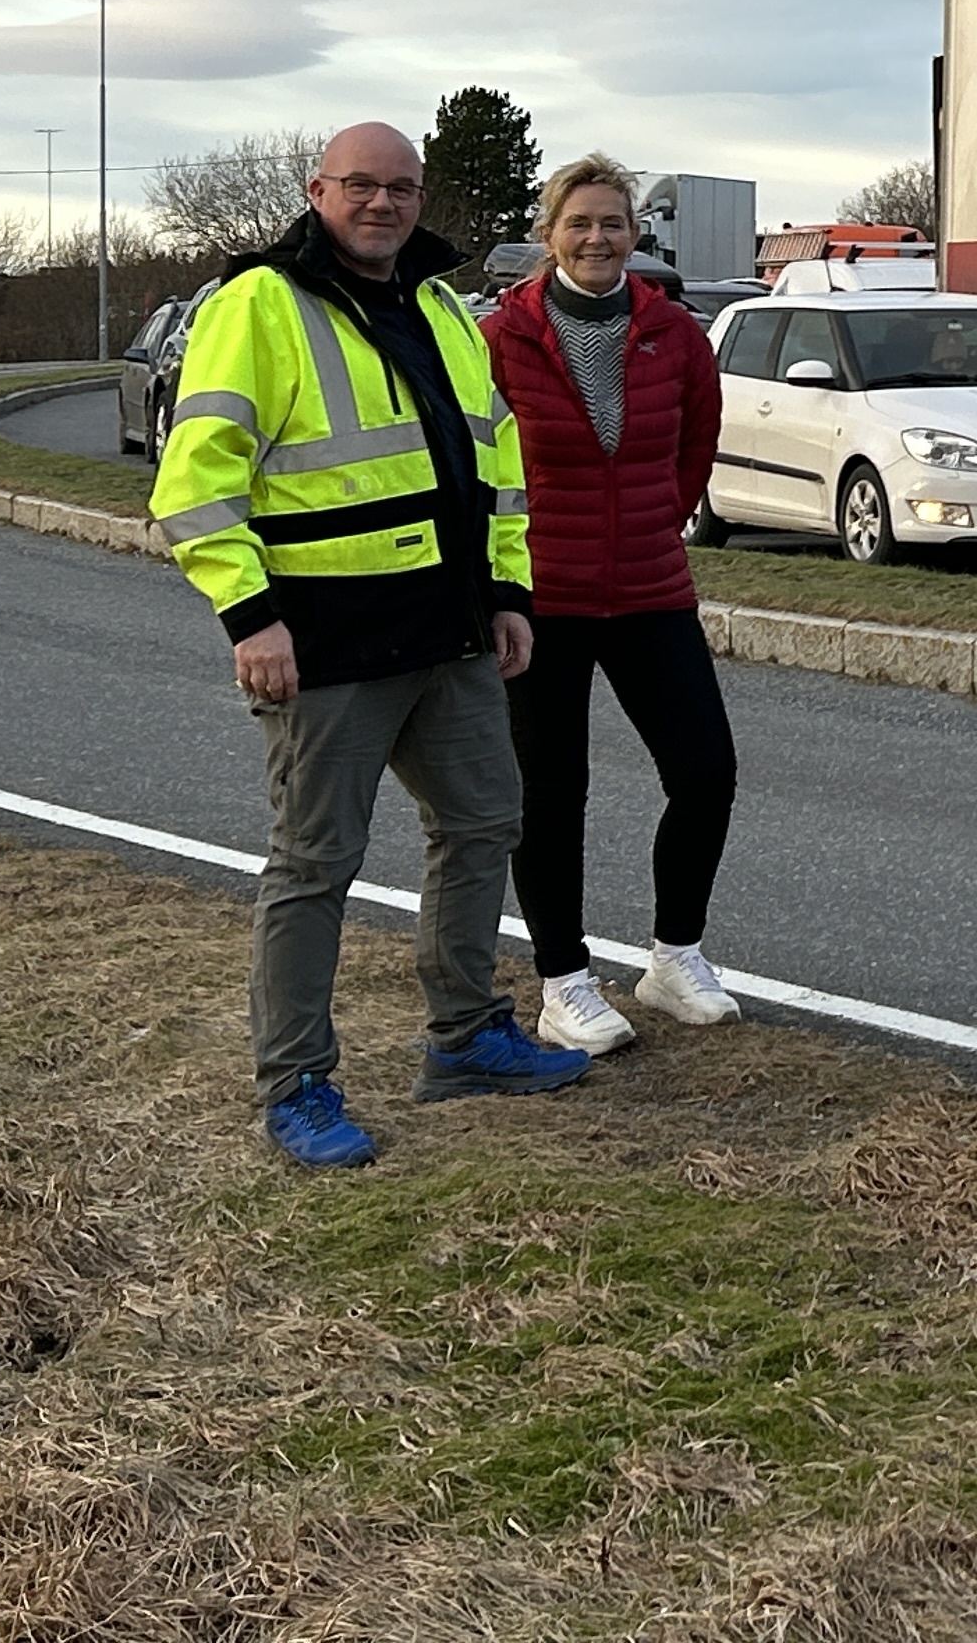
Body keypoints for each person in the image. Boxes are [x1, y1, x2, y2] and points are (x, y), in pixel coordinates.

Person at [151, 120, 590, 1169]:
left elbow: (495, 459)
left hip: (451, 630)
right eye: (361, 185)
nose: (382, 203)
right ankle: (297, 1083)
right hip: (324, 645)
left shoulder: (440, 303)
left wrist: (509, 593)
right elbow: (194, 482)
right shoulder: (257, 302)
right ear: (318, 190)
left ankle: (467, 1034)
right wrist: (251, 618)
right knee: (314, 867)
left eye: (400, 187)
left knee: (487, 824)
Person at [487, 153, 742, 1050]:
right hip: (540, 597)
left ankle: (675, 959)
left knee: (706, 771)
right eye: (579, 223)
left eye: (613, 223)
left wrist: (652, 522)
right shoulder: (501, 336)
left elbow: (694, 448)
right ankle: (564, 982)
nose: (597, 239)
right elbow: (479, 462)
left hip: (648, 587)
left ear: (636, 234)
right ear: (549, 233)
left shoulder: (674, 332)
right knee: (552, 792)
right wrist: (498, 578)